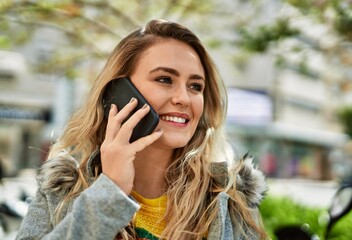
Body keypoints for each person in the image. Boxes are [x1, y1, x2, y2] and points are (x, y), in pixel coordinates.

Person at [16, 19, 268, 240]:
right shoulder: (63, 189)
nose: (184, 98)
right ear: (119, 92)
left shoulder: (230, 198)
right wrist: (109, 193)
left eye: (195, 86)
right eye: (164, 79)